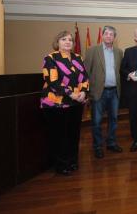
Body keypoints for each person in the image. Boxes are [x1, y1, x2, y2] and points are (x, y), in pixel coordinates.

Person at [40, 30, 89, 175]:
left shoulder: (78, 58)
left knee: (74, 134)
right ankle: (61, 165)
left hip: (76, 103)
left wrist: (83, 92)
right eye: (63, 39)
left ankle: (72, 161)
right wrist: (72, 94)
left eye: (70, 40)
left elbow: (85, 78)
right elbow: (53, 82)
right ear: (57, 42)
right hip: (56, 103)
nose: (68, 42)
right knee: (60, 136)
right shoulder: (51, 58)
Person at [84, 26, 123, 159]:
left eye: (111, 34)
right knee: (97, 121)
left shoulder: (119, 52)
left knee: (114, 119)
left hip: (114, 92)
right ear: (102, 35)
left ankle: (111, 143)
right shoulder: (92, 51)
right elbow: (86, 72)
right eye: (106, 34)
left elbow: (119, 72)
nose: (108, 36)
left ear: (114, 37)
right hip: (98, 92)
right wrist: (86, 92)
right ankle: (98, 146)